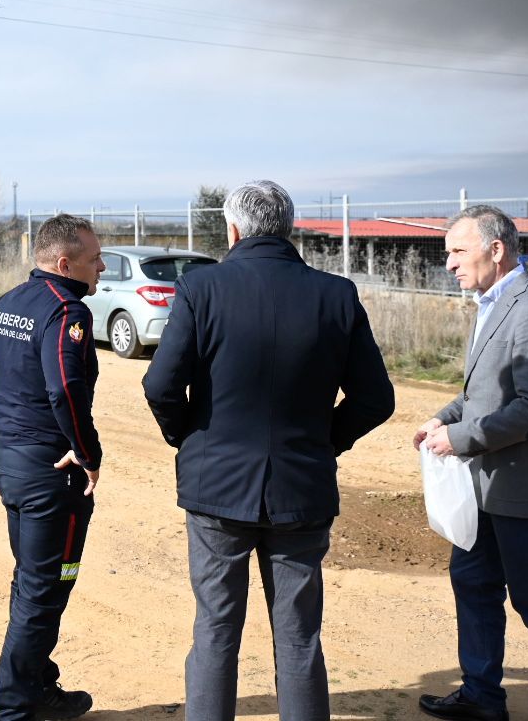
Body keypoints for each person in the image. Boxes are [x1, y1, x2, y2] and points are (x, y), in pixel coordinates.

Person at [142, 180, 394, 721]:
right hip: (302, 488)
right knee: (300, 637)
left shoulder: (201, 288)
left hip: (216, 489)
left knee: (215, 630)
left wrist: (188, 437)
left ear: (232, 230)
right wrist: (327, 440)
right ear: (288, 228)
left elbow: (161, 385)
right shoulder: (336, 295)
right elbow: (375, 398)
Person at [415, 206, 528, 721]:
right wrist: (443, 419)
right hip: (488, 490)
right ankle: (481, 695)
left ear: (495, 249)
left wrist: (463, 438)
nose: (449, 263)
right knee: (473, 586)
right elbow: (484, 393)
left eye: (457, 250)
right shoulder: (492, 303)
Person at [0, 213, 105, 721]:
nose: (102, 267)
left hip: (12, 464)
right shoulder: (67, 313)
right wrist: (87, 452)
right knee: (46, 589)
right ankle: (14, 710)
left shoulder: (10, 303)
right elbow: (64, 389)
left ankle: (40, 685)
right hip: (52, 475)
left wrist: (12, 424)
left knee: (33, 582)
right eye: (94, 259)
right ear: (65, 263)